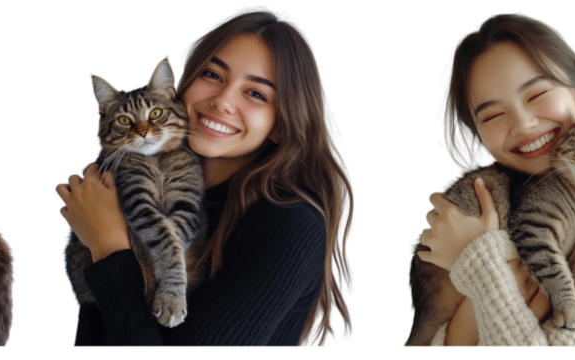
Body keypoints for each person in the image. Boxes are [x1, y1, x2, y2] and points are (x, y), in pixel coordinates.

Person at [54, 4, 357, 347]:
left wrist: (109, 247)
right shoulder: (155, 189)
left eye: (256, 93)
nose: (222, 101)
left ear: (281, 125)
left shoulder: (292, 224)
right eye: (213, 75)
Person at [418, 11, 575, 347]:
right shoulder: (528, 188)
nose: (523, 125)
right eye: (492, 115)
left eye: (536, 94)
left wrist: (480, 259)